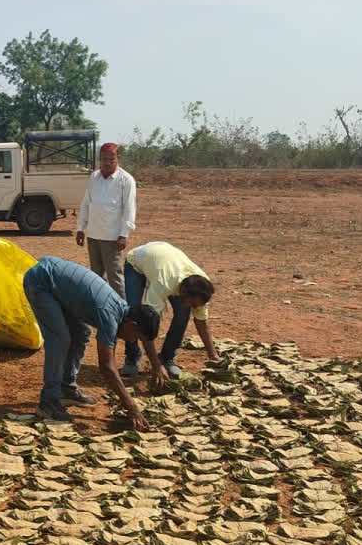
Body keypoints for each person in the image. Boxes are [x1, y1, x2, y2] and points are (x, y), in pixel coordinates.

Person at [23, 256, 162, 429]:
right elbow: (106, 367)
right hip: (41, 281)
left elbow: (131, 343)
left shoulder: (122, 313)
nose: (133, 341)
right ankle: (48, 402)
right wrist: (131, 407)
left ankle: (67, 388)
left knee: (82, 332)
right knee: (59, 339)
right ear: (132, 324)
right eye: (136, 337)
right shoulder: (109, 314)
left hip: (57, 283)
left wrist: (157, 365)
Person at [121, 241, 218, 377]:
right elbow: (146, 323)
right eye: (192, 304)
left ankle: (167, 358)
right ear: (182, 293)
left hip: (165, 258)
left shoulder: (202, 287)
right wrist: (156, 366)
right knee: (133, 311)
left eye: (196, 306)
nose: (194, 308)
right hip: (137, 262)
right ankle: (132, 357)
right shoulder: (164, 283)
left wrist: (213, 355)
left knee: (182, 317)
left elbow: (201, 322)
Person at [76, 142, 136, 295]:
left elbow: (129, 208)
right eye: (103, 159)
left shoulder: (126, 180)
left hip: (112, 238)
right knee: (96, 277)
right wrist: (80, 229)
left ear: (118, 158)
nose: (107, 163)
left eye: (111, 159)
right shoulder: (94, 177)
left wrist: (124, 235)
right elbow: (86, 203)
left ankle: (123, 312)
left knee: (114, 276)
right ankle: (101, 308)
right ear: (99, 159)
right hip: (93, 235)